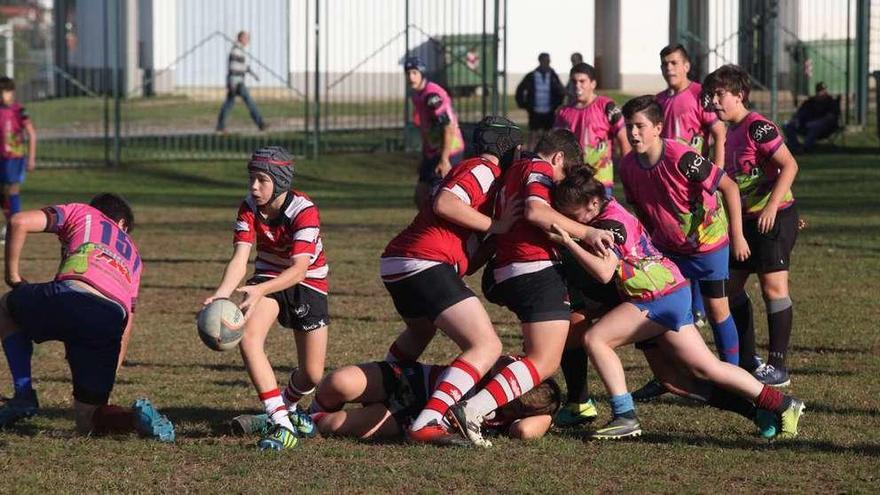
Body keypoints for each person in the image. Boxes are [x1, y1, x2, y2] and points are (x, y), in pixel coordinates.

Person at [547, 167, 805, 441]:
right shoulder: (608, 206)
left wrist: (569, 242)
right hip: (671, 289)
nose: (570, 222)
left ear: (593, 204)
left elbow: (603, 272)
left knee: (596, 339)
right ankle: (777, 406)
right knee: (685, 376)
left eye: (572, 216)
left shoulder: (608, 225)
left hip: (657, 296)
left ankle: (625, 416)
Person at [446, 129, 615, 448]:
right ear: (558, 158)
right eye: (562, 175)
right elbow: (537, 212)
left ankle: (480, 403)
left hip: (511, 268)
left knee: (542, 356)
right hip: (533, 267)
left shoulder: (513, 171)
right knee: (544, 361)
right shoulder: (538, 169)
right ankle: (474, 409)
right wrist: (586, 232)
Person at [379, 116, 523, 444]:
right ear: (505, 146)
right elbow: (445, 203)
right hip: (422, 260)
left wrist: (498, 238)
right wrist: (497, 226)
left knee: (420, 330)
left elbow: (468, 260)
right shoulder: (483, 168)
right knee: (486, 345)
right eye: (517, 145)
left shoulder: (491, 180)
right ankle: (429, 420)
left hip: (402, 263)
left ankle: (382, 390)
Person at [0, 193, 174, 441]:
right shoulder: (134, 257)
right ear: (123, 224)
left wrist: (13, 277)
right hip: (109, 319)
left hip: (71, 296)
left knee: (6, 307)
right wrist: (111, 366)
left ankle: (23, 395)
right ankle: (134, 419)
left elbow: (19, 221)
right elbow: (128, 322)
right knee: (88, 420)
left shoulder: (83, 212)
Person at [618, 96, 747, 405]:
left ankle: (732, 376)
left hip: (707, 243)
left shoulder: (682, 157)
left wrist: (737, 234)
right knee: (669, 313)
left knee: (717, 309)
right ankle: (671, 375)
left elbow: (728, 186)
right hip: (668, 248)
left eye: (640, 126)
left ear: (658, 128)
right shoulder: (626, 166)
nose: (633, 133)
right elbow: (640, 209)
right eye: (629, 126)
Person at [204, 146, 329, 450]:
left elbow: (299, 270)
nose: (254, 187)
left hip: (307, 282)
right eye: (251, 179)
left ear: (281, 181)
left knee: (312, 374)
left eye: (262, 180)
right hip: (267, 276)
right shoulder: (248, 206)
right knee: (248, 337)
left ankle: (287, 407)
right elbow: (240, 257)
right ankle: (281, 423)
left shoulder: (304, 211)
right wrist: (221, 294)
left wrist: (260, 290)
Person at [703, 65, 800, 387]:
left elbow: (789, 165)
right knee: (729, 290)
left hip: (773, 217)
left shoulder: (758, 127)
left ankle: (778, 365)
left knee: (773, 288)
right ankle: (746, 359)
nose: (714, 100)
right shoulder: (724, 131)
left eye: (720, 94)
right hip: (742, 221)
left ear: (739, 95)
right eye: (712, 94)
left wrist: (773, 207)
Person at [231, 356, 561, 442]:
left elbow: (525, 432)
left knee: (330, 425)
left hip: (411, 418)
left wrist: (548, 411)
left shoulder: (516, 418)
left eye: (517, 404)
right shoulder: (507, 370)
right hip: (414, 381)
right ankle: (298, 415)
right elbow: (505, 360)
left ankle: (291, 422)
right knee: (336, 382)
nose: (508, 401)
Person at [655, 44, 729, 335]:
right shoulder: (659, 100)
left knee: (699, 240)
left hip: (695, 182)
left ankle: (699, 307)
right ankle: (686, 305)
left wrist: (716, 176)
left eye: (674, 62)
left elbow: (718, 133)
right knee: (676, 240)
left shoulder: (700, 94)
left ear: (686, 66)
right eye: (664, 63)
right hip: (667, 184)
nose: (669, 68)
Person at [554, 62, 630, 197]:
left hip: (601, 182)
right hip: (573, 182)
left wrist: (628, 174)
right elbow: (555, 146)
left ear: (593, 84)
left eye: (582, 81)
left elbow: (624, 140)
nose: (577, 85)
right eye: (574, 81)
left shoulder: (608, 107)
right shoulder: (563, 113)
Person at [404, 56, 465, 208]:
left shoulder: (432, 96)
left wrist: (444, 159)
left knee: (440, 199)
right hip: (432, 151)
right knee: (421, 194)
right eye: (408, 73)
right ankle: (427, 228)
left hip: (449, 150)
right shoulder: (417, 95)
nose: (411, 77)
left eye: (414, 72)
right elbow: (425, 128)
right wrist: (424, 156)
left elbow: (448, 127)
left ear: (422, 73)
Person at [0, 77, 37, 244]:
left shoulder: (19, 111)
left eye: (6, 92)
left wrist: (31, 158)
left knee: (11, 190)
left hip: (14, 158)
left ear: (12, 92)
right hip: (1, 157)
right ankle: (11, 224)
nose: (3, 96)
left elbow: (31, 133)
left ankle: (14, 226)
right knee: (3, 193)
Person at [215, 31, 267, 133]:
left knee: (228, 104)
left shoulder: (239, 49)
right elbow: (234, 67)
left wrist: (252, 73)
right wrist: (233, 82)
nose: (248, 40)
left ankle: (220, 127)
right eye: (246, 38)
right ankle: (261, 124)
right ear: (240, 38)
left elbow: (242, 66)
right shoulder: (236, 50)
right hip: (237, 82)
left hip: (235, 82)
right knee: (249, 102)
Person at [516, 53, 566, 149]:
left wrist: (557, 104)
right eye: (545, 61)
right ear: (540, 61)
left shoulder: (552, 75)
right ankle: (529, 153)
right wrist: (523, 104)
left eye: (548, 61)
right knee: (533, 134)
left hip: (549, 110)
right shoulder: (532, 75)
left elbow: (560, 90)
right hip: (535, 110)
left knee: (548, 135)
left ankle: (546, 152)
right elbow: (520, 89)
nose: (547, 63)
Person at [783, 82, 840, 153]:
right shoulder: (810, 101)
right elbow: (800, 113)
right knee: (787, 125)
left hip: (825, 128)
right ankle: (795, 147)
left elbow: (831, 118)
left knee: (816, 126)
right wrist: (796, 119)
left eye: (823, 90)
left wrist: (817, 123)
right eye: (819, 90)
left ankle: (805, 148)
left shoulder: (831, 102)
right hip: (806, 126)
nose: (821, 93)